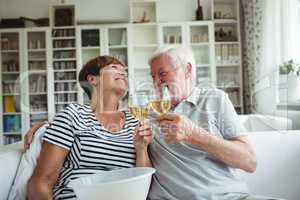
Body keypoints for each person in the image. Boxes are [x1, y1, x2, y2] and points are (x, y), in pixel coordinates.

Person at [146, 46, 286, 200]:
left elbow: (249, 162)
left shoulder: (215, 99)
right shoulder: (150, 113)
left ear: (187, 70)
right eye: (153, 77)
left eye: (162, 74)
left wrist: (194, 134)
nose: (156, 83)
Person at [26, 56, 152, 200]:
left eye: (125, 71)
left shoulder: (135, 122)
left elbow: (144, 179)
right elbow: (41, 181)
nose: (123, 73)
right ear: (93, 79)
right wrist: (47, 127)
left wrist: (142, 149)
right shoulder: (73, 115)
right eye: (114, 68)